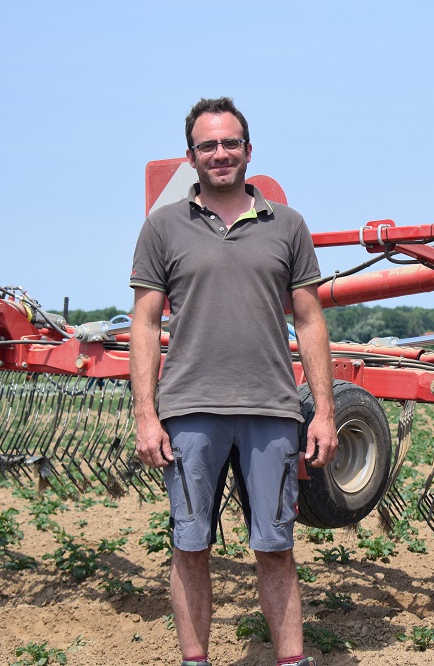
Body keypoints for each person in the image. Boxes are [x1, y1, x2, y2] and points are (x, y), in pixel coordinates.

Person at [129, 96, 338, 666]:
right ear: (191, 156)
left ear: (248, 150)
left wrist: (323, 411)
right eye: (207, 146)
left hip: (270, 408)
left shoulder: (288, 226)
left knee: (276, 547)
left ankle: (290, 661)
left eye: (229, 144)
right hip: (190, 409)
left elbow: (310, 318)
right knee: (190, 545)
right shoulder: (163, 227)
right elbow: (145, 324)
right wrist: (146, 414)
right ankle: (194, 660)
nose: (220, 154)